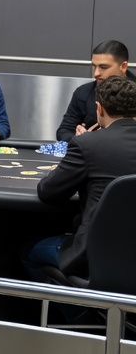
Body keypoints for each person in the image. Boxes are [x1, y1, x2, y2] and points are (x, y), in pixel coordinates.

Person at [26, 76, 136, 282]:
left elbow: (49, 191)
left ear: (99, 108)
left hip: (94, 254)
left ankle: (84, 314)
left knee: (29, 251)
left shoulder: (88, 144)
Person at [56, 40, 136, 142]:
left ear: (123, 66)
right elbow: (64, 131)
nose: (96, 73)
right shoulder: (83, 92)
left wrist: (92, 139)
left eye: (104, 67)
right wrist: (80, 140)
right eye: (94, 66)